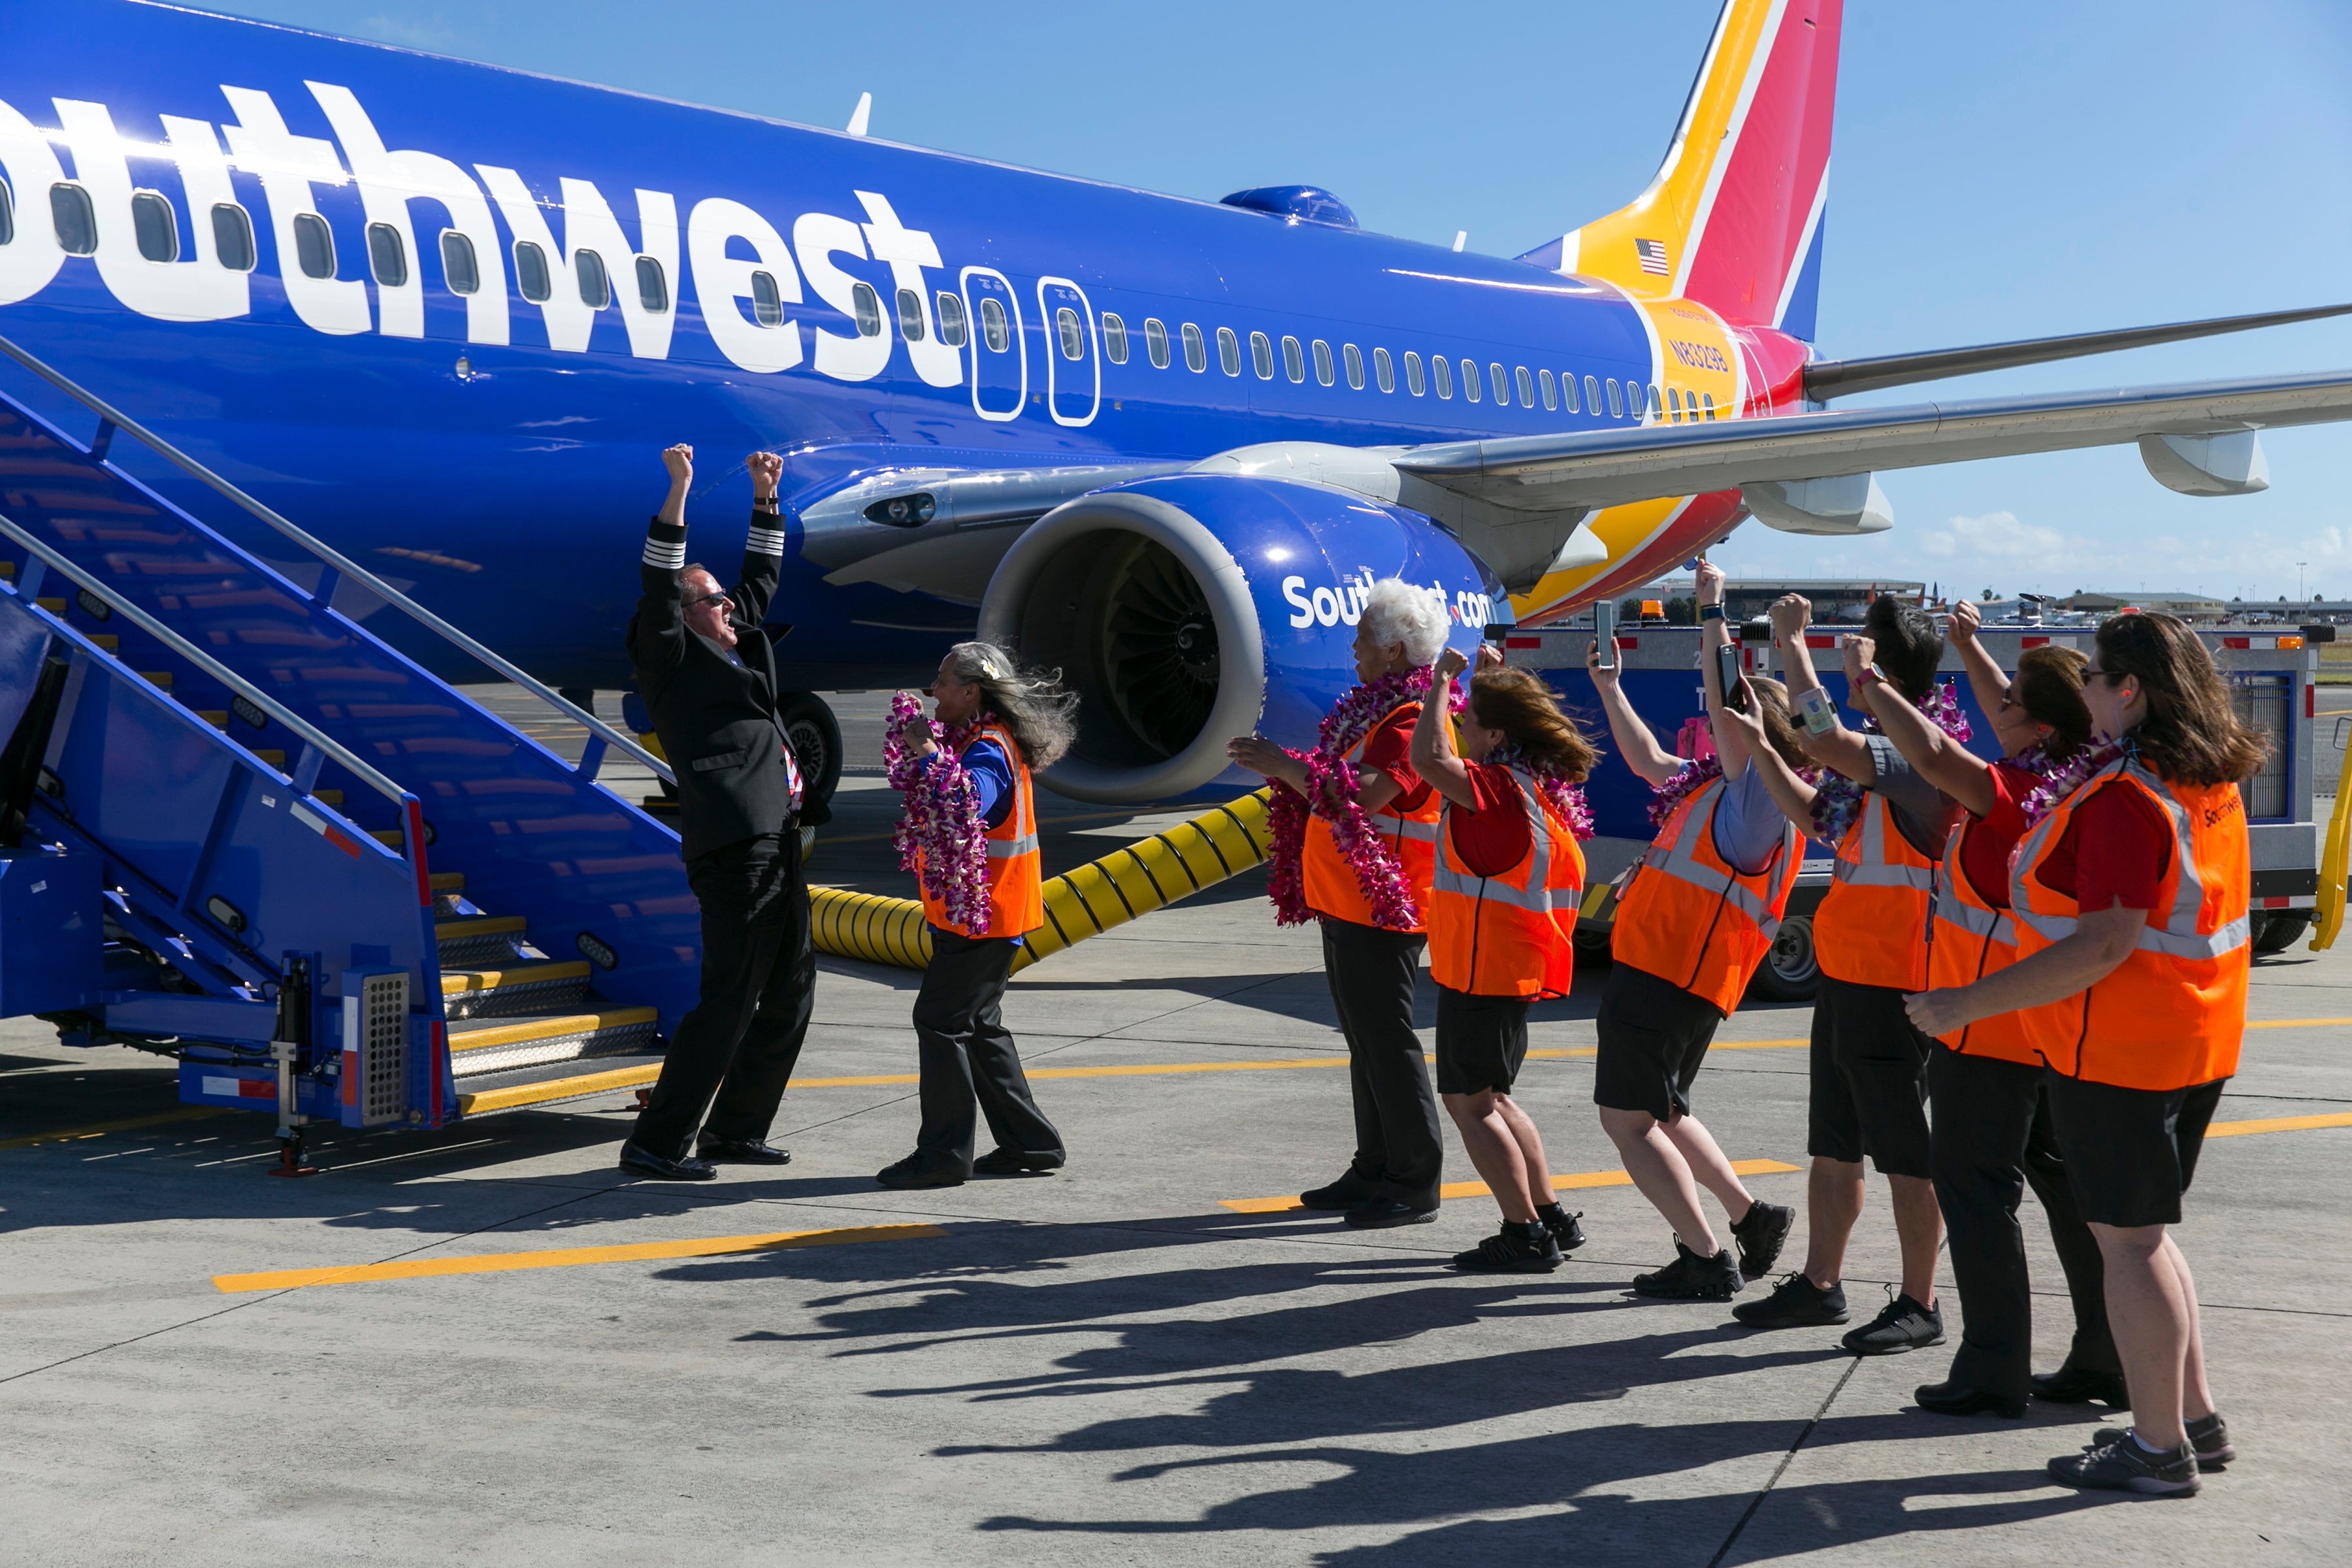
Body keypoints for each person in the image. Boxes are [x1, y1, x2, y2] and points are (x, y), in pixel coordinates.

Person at [1909, 613, 2259, 1496]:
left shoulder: (2124, 796)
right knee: (2147, 1236)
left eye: (2098, 677)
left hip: (2122, 1048)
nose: (2087, 691)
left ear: (2131, 689)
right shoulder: (2205, 778)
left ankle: (2156, 1448)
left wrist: (1966, 1001)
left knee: (2130, 1245)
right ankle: (2194, 1420)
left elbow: (2104, 943)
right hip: (2193, 1037)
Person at [1861, 604, 2122, 1418]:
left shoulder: (2007, 792)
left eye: (2006, 704)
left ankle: (1992, 1366)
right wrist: (1972, 648)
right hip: (2048, 1026)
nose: (1991, 705)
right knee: (2066, 1192)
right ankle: (2104, 1356)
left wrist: (1872, 686)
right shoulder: (2072, 782)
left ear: (2037, 724)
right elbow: (2007, 702)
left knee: (1974, 1191)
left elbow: (1935, 750)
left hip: (1985, 1025)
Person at [1728, 593, 1959, 1354]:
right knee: (1833, 1145)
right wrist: (1764, 742)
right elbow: (1816, 812)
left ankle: (1921, 1301)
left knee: (1904, 1155)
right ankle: (1821, 1285)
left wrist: (1794, 647)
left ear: (1884, 673)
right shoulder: (1879, 763)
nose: (1849, 660)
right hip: (1849, 977)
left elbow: (1825, 742)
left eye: (1861, 653)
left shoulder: (1914, 754)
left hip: (1899, 984)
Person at [1583, 559, 1800, 1300]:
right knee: (1664, 1110)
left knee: (1627, 1119)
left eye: (1723, 721)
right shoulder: (1713, 786)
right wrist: (1611, 686)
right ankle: (1751, 1216)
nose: (1708, 725)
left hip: (1671, 976)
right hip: (1674, 973)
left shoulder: (1757, 796)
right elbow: (1648, 761)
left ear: (1750, 730)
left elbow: (1724, 695)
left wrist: (1713, 612)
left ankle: (1706, 1259)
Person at [1227, 580, 1456, 1231]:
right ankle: (1375, 1167)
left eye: (1360, 636)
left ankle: (1413, 1181)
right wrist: (1286, 767)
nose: (1352, 646)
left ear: (1390, 650)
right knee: (1368, 1042)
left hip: (1387, 909)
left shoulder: (1409, 720)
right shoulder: (1373, 713)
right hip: (1349, 902)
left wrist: (1281, 764)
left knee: (1387, 1042)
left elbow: (1371, 795)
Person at [618, 444, 812, 1181]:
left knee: (790, 990)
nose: (729, 605)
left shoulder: (737, 644)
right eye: (712, 600)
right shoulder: (670, 656)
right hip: (737, 845)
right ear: (684, 613)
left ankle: (736, 1131)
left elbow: (760, 577)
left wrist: (767, 500)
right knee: (729, 999)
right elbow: (660, 584)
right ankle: (657, 1142)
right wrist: (680, 492)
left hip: (779, 836)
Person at [1409, 645, 1596, 1273]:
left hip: (1481, 971)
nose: (1458, 728)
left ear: (1494, 734)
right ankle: (1548, 1215)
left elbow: (1428, 759)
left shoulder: (1489, 789)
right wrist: (1485, 682)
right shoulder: (1530, 790)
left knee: (1471, 1105)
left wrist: (1441, 681)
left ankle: (1524, 1233)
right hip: (1512, 968)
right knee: (1497, 1099)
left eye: (1468, 721)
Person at [877, 642, 1078, 1189]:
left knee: (939, 1023)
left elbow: (968, 803)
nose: (931, 690)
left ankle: (944, 1155)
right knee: (978, 1026)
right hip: (985, 915)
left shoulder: (988, 749)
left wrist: (923, 751)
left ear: (971, 692)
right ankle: (1030, 1143)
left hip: (983, 920)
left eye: (942, 681)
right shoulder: (980, 739)